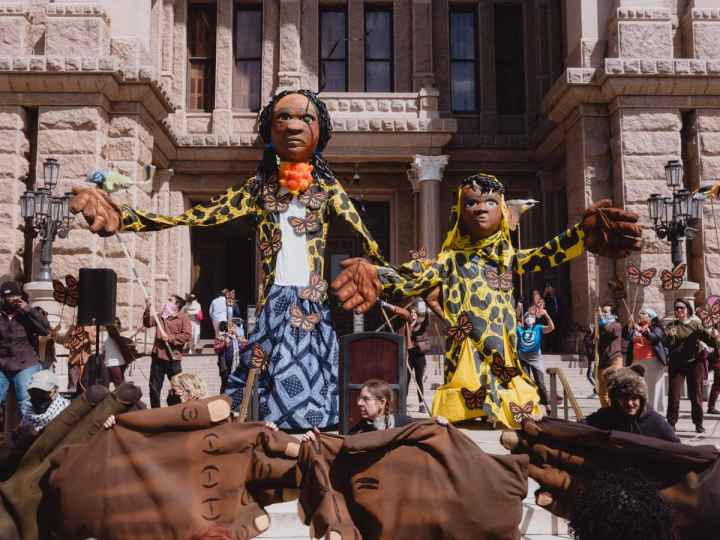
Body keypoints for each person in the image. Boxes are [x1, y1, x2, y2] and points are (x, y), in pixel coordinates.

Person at [71, 89, 388, 429]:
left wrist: (376, 271)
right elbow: (194, 216)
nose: (294, 126)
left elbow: (370, 246)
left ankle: (310, 443)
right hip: (274, 305)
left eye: (305, 118)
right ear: (269, 131)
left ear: (320, 132)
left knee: (313, 392)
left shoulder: (328, 190)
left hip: (311, 306)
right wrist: (127, 218)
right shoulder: (257, 190)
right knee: (256, 389)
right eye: (284, 118)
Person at [332, 173, 642, 427]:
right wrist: (377, 273)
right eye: (472, 202)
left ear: (503, 211)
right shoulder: (450, 260)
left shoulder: (505, 257)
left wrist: (578, 237)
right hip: (465, 374)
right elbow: (412, 278)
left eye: (491, 202)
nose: (481, 208)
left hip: (506, 372)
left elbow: (541, 255)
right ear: (460, 211)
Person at [664, 298, 720, 433]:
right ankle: (671, 423)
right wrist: (669, 337)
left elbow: (710, 341)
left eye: (682, 307)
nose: (679, 310)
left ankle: (698, 423)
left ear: (688, 309)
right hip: (677, 364)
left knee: (696, 395)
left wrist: (715, 336)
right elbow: (667, 344)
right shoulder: (671, 325)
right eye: (677, 308)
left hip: (695, 363)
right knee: (674, 395)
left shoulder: (696, 324)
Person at [584, 365, 679, 442]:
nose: (629, 403)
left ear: (641, 399)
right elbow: (581, 428)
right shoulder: (606, 416)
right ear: (616, 399)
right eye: (624, 398)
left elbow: (676, 448)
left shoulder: (655, 421)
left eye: (634, 398)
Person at [0, 281, 50, 418]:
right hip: (3, 364)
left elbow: (45, 329)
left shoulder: (27, 314)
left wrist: (27, 309)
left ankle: (29, 434)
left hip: (25, 364)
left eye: (15, 296)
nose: (12, 300)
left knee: (26, 401)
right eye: (8, 297)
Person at [143, 295, 192, 408]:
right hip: (158, 357)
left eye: (170, 300)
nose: (166, 301)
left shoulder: (183, 318)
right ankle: (156, 413)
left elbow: (187, 336)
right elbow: (147, 323)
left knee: (178, 388)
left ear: (177, 305)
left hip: (173, 359)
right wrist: (147, 308)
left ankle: (178, 410)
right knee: (154, 388)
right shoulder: (160, 316)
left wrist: (170, 338)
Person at [625, 307, 667, 415]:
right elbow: (626, 336)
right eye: (640, 313)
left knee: (654, 388)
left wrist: (642, 331)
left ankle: (655, 412)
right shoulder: (635, 327)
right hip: (636, 361)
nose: (640, 314)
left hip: (652, 361)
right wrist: (628, 325)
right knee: (638, 387)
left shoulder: (656, 327)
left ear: (651, 317)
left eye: (644, 313)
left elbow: (655, 338)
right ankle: (641, 410)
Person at [516, 309, 554, 409]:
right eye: (527, 317)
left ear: (534, 319)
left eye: (531, 317)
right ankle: (530, 404)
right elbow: (512, 323)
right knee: (526, 383)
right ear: (524, 320)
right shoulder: (520, 329)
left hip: (535, 359)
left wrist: (546, 315)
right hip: (523, 358)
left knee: (540, 383)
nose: (529, 318)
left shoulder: (538, 328)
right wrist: (518, 311)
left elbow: (551, 327)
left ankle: (545, 404)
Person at [19, 369, 71, 436]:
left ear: (55, 391)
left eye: (43, 392)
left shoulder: (66, 410)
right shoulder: (27, 415)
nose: (38, 396)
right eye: (34, 392)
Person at [404, 302, 430, 413]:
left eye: (415, 312)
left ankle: (421, 405)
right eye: (411, 312)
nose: (413, 314)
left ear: (418, 314)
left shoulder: (420, 324)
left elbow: (426, 322)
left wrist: (427, 311)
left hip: (419, 355)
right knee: (406, 380)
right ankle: (403, 403)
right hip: (409, 355)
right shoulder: (406, 325)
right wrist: (411, 324)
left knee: (419, 380)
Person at [596, 304, 623, 408]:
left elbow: (609, 331)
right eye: (603, 312)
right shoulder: (600, 326)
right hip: (602, 361)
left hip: (613, 360)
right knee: (602, 392)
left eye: (606, 312)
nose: (603, 314)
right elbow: (592, 340)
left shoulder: (616, 325)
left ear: (613, 315)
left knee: (613, 389)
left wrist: (602, 319)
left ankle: (616, 411)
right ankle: (606, 412)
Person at [103, 317, 138, 388]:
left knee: (120, 384)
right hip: (113, 364)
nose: (118, 328)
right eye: (116, 326)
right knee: (120, 386)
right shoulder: (112, 336)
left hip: (119, 363)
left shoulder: (117, 337)